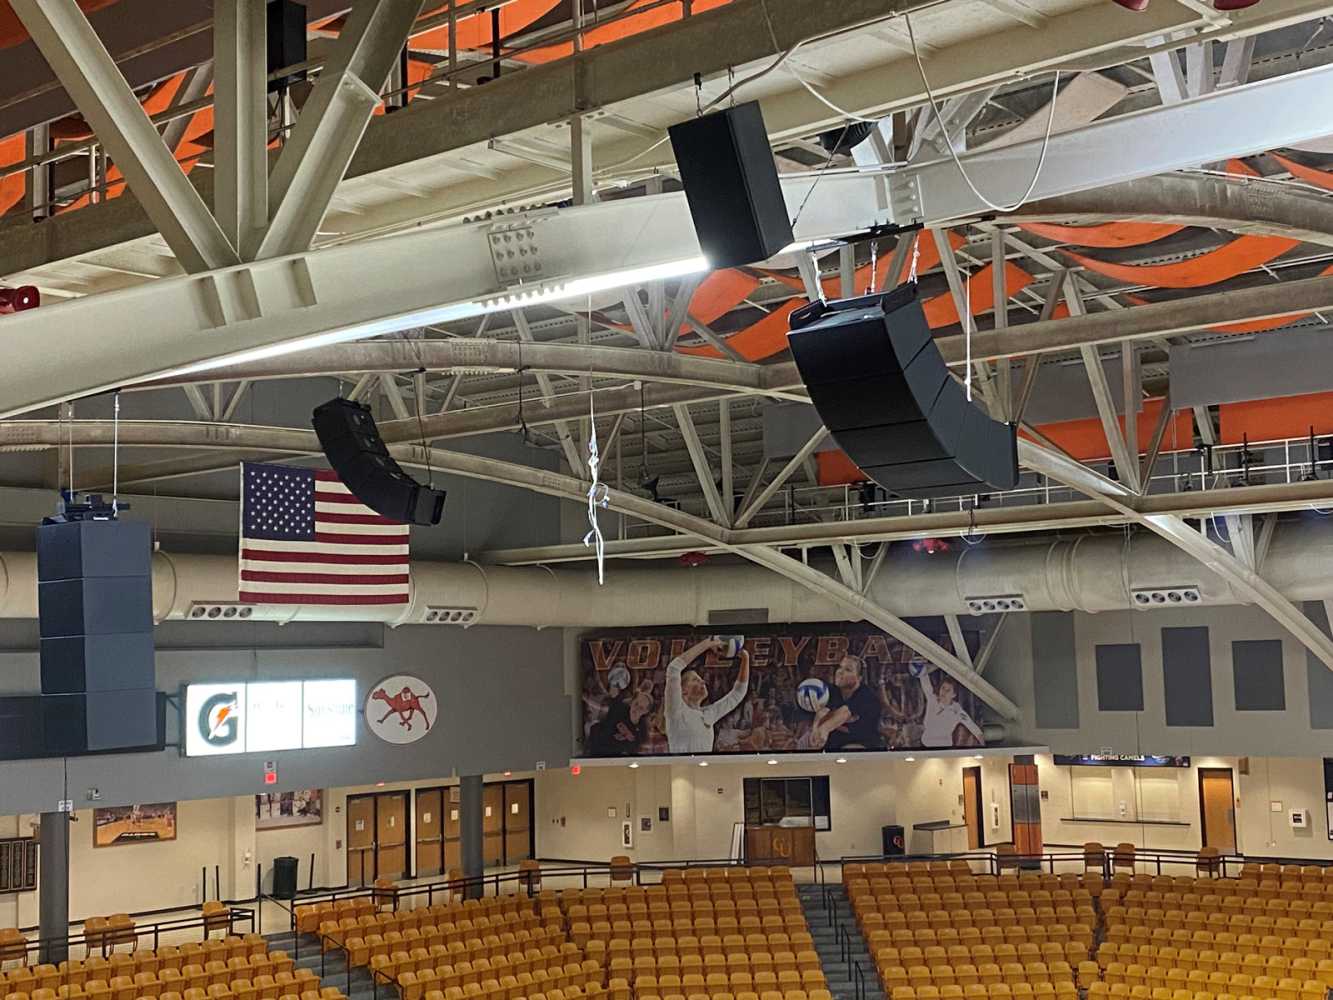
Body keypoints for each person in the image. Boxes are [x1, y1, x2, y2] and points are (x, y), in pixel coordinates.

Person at [665, 636, 751, 754]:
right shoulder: (676, 711)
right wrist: (708, 644)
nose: (703, 682)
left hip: (704, 770)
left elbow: (738, 693)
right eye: (695, 680)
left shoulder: (709, 714)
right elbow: (674, 668)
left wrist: (745, 657)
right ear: (683, 690)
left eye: (701, 679)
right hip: (680, 770)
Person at [809, 655, 885, 751]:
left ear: (859, 678)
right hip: (835, 744)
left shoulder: (866, 696)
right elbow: (822, 712)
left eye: (848, 670)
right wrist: (815, 729)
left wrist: (824, 729)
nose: (840, 672)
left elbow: (844, 712)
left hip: (863, 745)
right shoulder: (832, 691)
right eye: (840, 667)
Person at [918, 668, 984, 748]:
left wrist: (984, 747)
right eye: (943, 688)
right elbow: (926, 684)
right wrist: (920, 668)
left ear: (953, 695)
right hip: (925, 745)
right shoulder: (932, 699)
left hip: (944, 748)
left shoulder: (957, 711)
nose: (944, 692)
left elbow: (973, 727)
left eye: (948, 690)